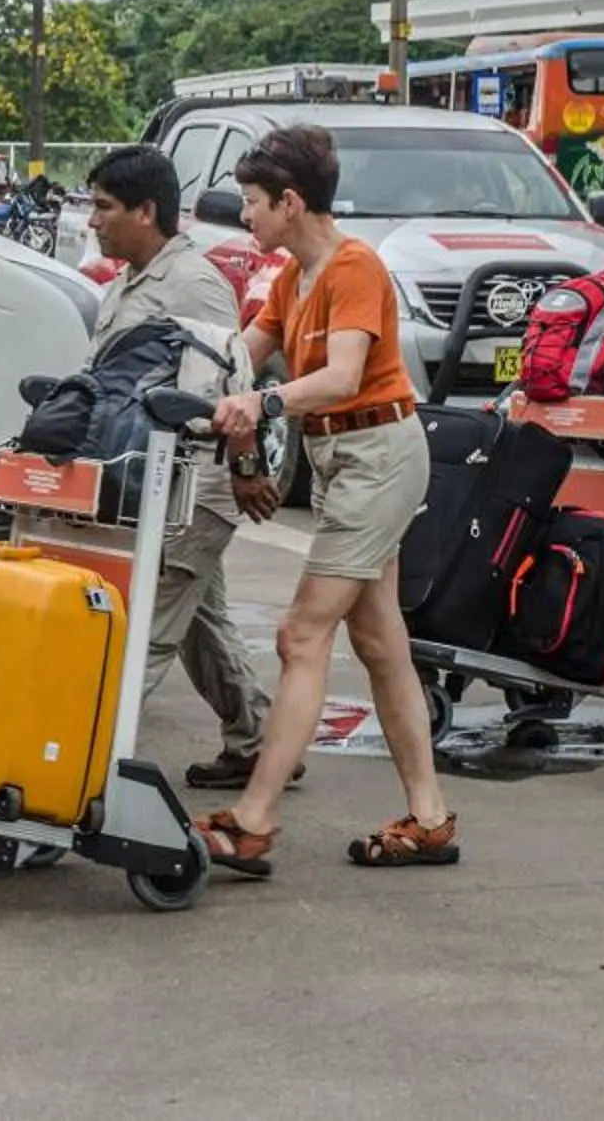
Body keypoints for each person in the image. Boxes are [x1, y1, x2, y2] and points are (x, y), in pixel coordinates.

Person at [192, 126, 457, 876]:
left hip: (377, 457)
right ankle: (429, 817)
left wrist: (261, 405)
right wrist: (188, 379)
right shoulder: (293, 277)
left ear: (291, 202)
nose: (244, 217)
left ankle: (255, 819)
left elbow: (342, 377)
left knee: (301, 637)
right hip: (344, 459)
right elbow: (243, 353)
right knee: (379, 644)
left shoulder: (352, 268)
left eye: (251, 204)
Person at [76, 144, 287, 792]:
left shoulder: (191, 284)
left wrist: (246, 467)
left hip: (198, 482)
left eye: (104, 207)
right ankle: (258, 742)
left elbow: (229, 385)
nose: (92, 221)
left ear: (145, 211)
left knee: (144, 625)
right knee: (199, 618)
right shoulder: (127, 285)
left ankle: (80, 763)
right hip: (155, 483)